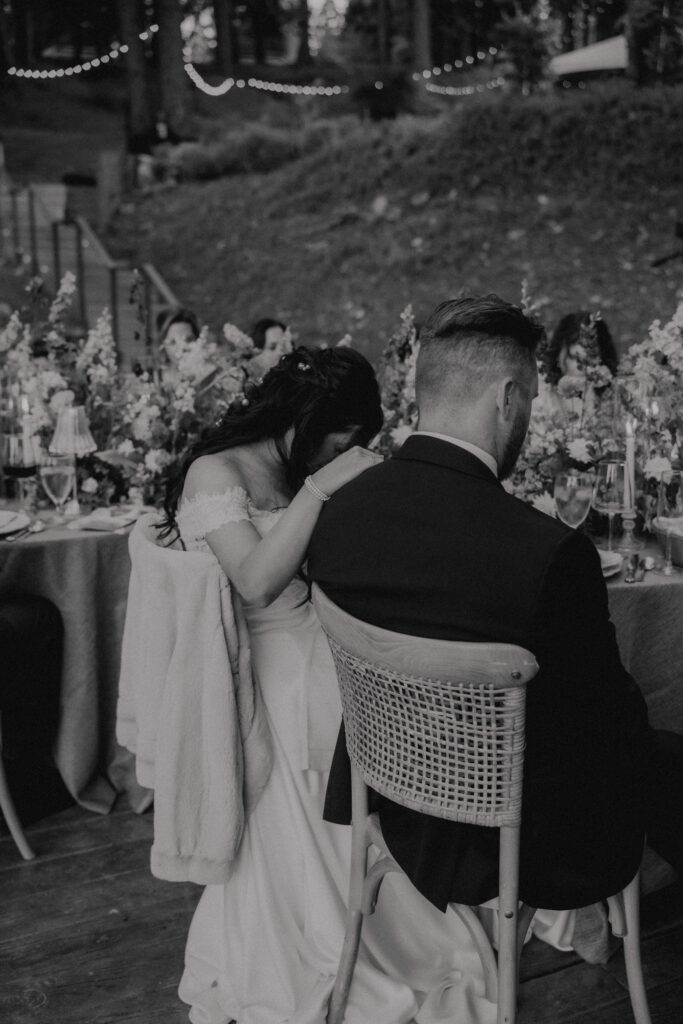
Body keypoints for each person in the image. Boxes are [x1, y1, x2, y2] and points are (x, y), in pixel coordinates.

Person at [308, 293, 683, 919]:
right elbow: (608, 723)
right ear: (507, 397)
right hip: (519, 843)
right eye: (532, 402)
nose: (528, 419)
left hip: (396, 807)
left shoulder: (338, 512)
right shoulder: (550, 551)